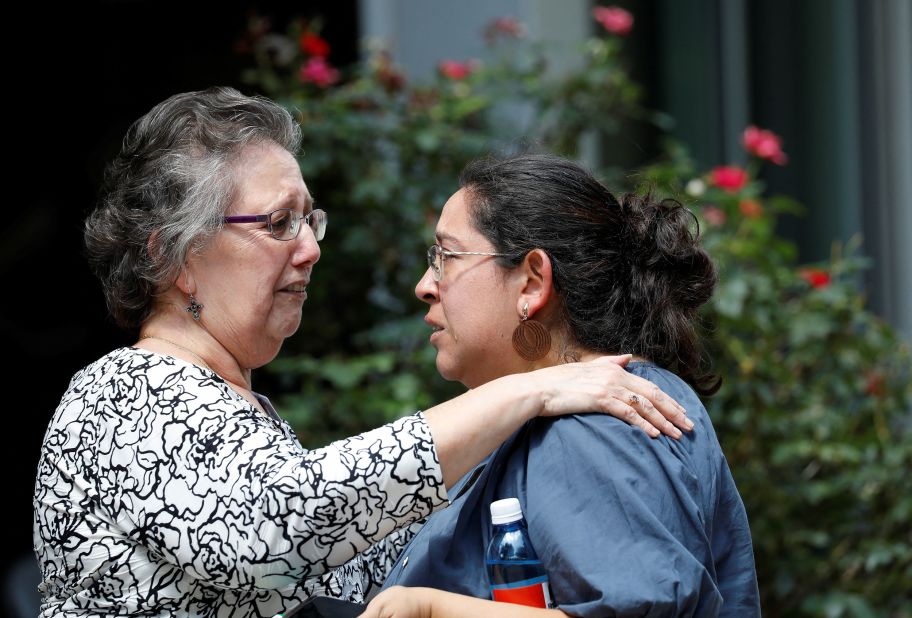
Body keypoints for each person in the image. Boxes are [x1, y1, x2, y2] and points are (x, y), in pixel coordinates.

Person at [32, 89, 692, 617]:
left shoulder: (236, 414)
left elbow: (370, 569)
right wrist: (533, 388)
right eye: (276, 223)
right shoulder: (121, 395)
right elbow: (278, 532)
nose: (311, 246)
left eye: (309, 220)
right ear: (176, 256)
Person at [362, 154, 761, 617]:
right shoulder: (562, 415)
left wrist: (432, 611)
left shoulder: (597, 422)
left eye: (446, 257)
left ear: (532, 281)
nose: (425, 285)